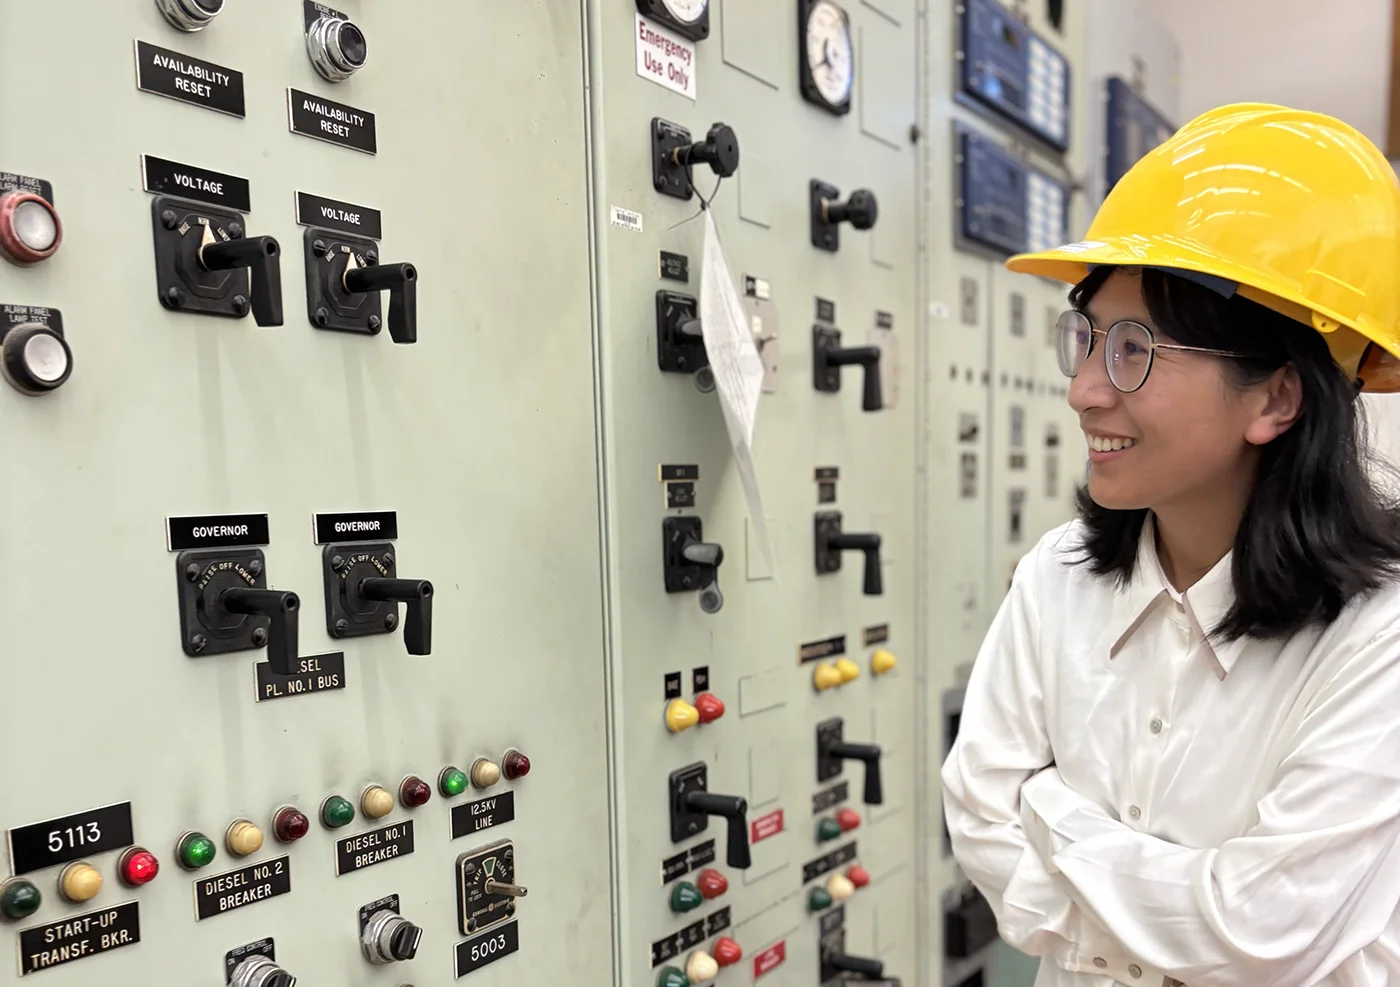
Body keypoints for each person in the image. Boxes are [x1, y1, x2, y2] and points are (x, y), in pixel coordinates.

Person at [940, 102, 1400, 987]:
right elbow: (975, 819)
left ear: (1275, 399)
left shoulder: (1375, 635)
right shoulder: (1057, 578)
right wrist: (1182, 915)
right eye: (1086, 338)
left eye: (1133, 350)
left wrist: (1049, 813)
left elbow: (1259, 933)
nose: (1083, 391)